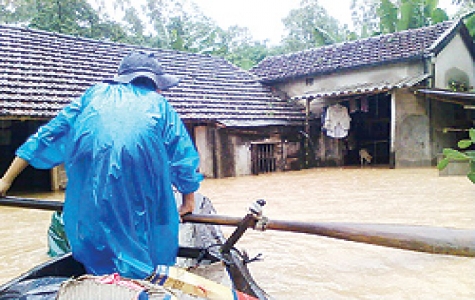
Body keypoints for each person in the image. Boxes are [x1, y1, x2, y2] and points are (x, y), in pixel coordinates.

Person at [0, 51, 203, 279]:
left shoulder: (92, 96)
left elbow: (47, 135)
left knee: (98, 249)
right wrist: (188, 201)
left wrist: (6, 180)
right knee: (142, 249)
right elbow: (183, 158)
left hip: (89, 200)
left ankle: (102, 283)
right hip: (139, 197)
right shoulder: (160, 105)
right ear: (154, 83)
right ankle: (140, 285)